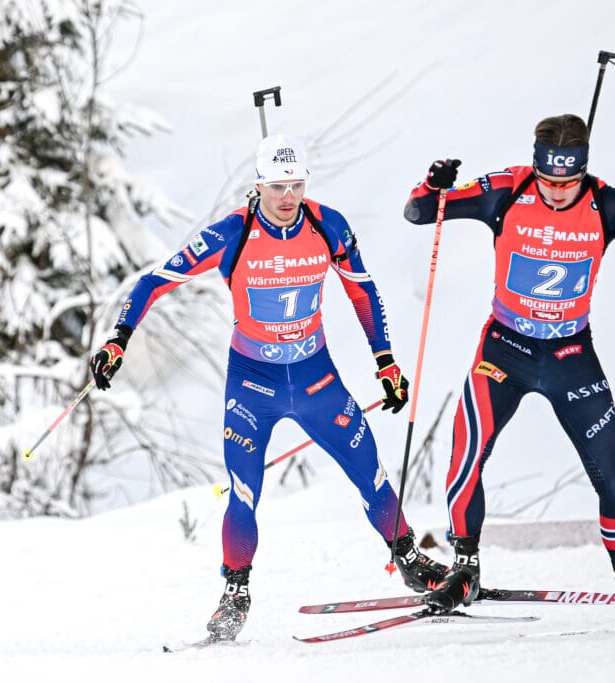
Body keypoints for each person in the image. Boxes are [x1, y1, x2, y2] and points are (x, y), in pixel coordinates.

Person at [89, 134, 446, 642]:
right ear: (258, 185)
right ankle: (235, 595)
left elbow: (363, 291)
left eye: (297, 184)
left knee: (371, 472)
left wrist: (385, 362)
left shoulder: (328, 225)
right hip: (252, 384)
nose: (287, 197)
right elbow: (155, 281)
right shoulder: (232, 232)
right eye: (277, 186)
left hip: (315, 376)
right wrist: (118, 341)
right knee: (242, 493)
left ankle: (410, 559)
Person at [403, 114, 615, 628]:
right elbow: (420, 213)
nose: (558, 193)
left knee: (612, 472)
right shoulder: (507, 189)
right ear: (536, 167)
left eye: (569, 182)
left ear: (584, 171)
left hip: (569, 356)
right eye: (549, 181)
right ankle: (464, 568)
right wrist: (434, 185)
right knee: (465, 456)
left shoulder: (605, 202)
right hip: (505, 350)